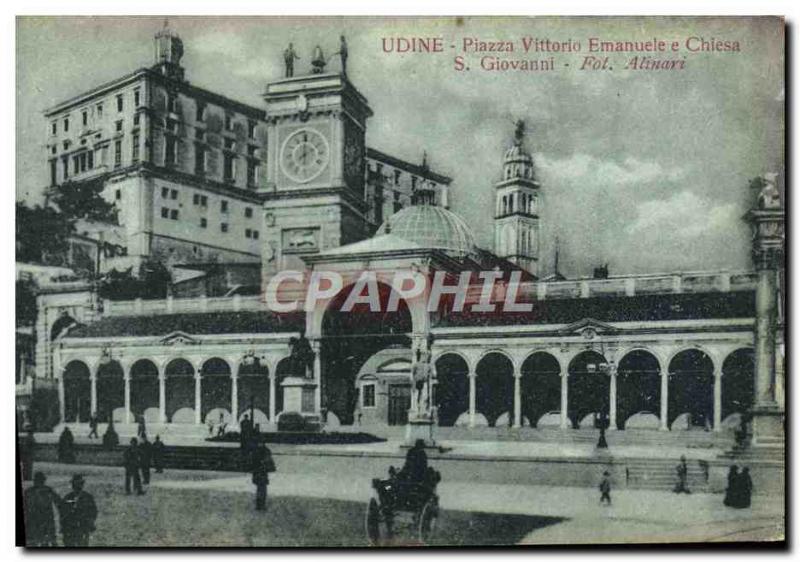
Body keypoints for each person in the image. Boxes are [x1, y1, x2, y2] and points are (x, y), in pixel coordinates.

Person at [23, 471, 60, 547]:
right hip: (33, 522)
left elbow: (59, 502)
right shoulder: (28, 492)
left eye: (41, 481)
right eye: (38, 481)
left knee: (46, 542)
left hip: (46, 521)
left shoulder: (48, 490)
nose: (40, 483)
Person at [59, 474, 97, 547]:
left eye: (80, 484)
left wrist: (90, 521)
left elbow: (93, 511)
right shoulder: (68, 497)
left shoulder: (88, 497)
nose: (78, 486)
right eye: (76, 484)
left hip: (83, 527)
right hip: (70, 528)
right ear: (73, 485)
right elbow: (62, 512)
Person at [251, 443, 276, 511]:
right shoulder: (265, 450)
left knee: (260, 488)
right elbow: (269, 462)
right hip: (262, 472)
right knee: (262, 489)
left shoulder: (256, 450)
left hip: (259, 472)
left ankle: (259, 504)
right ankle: (261, 505)